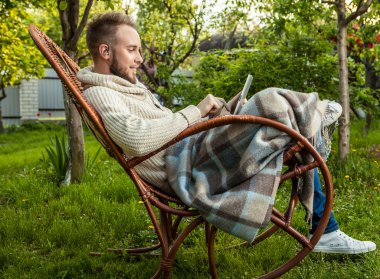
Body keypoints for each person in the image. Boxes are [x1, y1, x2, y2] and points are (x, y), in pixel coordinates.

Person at [77, 12, 376, 254]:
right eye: (132, 50)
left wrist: (216, 115)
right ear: (105, 51)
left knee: (281, 129)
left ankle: (324, 225)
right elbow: (137, 138)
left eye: (139, 50)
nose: (140, 58)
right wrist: (196, 111)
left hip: (191, 149)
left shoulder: (124, 86)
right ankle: (317, 115)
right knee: (271, 103)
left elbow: (161, 128)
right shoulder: (101, 94)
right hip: (185, 165)